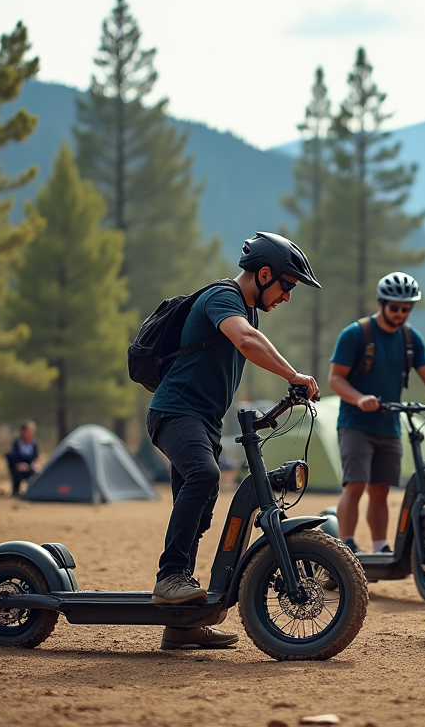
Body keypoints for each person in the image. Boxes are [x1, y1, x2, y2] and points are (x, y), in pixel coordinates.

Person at [146, 232, 321, 650]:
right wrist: (292, 374)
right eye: (287, 286)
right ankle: (169, 578)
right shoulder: (223, 299)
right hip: (174, 412)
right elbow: (245, 341)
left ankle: (181, 623)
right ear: (263, 274)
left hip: (203, 420)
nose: (287, 297)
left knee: (198, 511)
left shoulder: (247, 310)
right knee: (204, 476)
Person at [328, 272, 425, 554]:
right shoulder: (356, 334)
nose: (401, 314)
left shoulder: (410, 339)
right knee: (355, 484)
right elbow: (335, 379)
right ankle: (345, 548)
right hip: (355, 423)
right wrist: (360, 398)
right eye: (395, 308)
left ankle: (380, 547)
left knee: (380, 489)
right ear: (381, 303)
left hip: (389, 425)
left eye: (406, 309)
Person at [5, 421, 39, 496]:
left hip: (29, 466)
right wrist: (19, 464)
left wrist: (34, 465)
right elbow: (13, 455)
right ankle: (16, 491)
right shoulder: (17, 443)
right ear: (23, 431)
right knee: (18, 472)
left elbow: (35, 457)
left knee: (35, 473)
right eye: (28, 431)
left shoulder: (33, 443)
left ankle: (31, 491)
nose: (30, 433)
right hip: (17, 465)